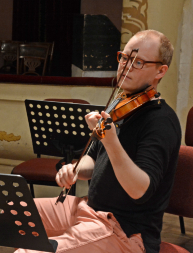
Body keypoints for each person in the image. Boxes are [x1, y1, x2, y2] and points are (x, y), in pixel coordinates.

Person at [15, 30, 181, 253]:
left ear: (160, 71)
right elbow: (92, 160)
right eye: (124, 57)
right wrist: (74, 170)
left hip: (125, 230)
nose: (126, 66)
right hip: (88, 208)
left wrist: (112, 141)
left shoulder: (161, 121)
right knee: (10, 213)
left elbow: (140, 190)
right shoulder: (120, 105)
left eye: (139, 62)